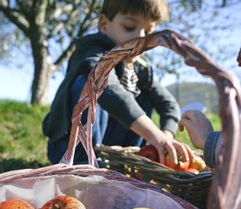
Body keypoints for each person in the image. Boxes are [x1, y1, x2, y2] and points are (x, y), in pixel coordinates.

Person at [42, 0, 193, 166]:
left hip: (111, 147)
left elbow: (168, 103)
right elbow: (107, 85)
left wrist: (166, 136)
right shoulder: (91, 50)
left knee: (145, 96)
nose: (141, 37)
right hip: (68, 146)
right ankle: (83, 162)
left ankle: (130, 161)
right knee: (90, 82)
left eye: (149, 31)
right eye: (129, 27)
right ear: (104, 24)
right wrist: (152, 134)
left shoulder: (140, 68)